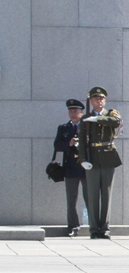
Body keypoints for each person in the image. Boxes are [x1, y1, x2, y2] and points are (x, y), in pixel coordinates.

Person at [79, 86, 122, 239]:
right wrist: (83, 159)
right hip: (92, 157)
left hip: (108, 156)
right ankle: (94, 229)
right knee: (92, 195)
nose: (99, 101)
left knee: (106, 194)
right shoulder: (85, 118)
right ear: (91, 101)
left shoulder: (110, 114)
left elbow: (116, 122)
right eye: (96, 99)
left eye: (102, 98)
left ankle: (104, 228)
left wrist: (98, 119)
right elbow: (82, 141)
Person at [54, 99, 88, 236]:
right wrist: (69, 144)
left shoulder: (87, 127)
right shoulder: (64, 128)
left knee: (90, 198)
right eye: (71, 111)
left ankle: (93, 225)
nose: (73, 114)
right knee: (71, 200)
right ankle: (73, 225)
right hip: (70, 168)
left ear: (81, 113)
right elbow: (57, 145)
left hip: (85, 167)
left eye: (76, 111)